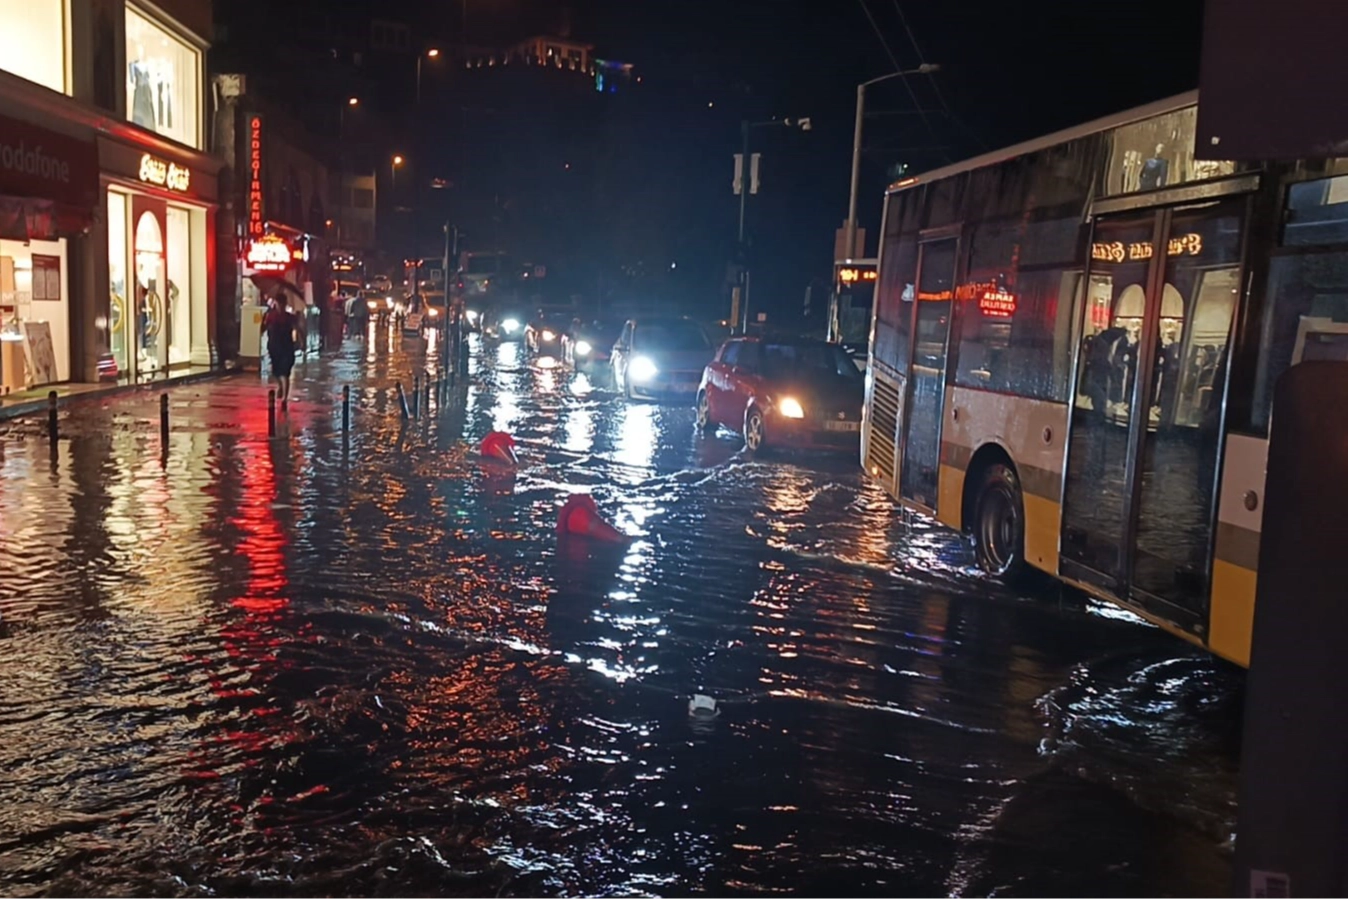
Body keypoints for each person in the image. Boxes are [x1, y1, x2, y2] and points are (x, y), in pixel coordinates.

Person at [262, 294, 298, 409]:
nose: (280, 306)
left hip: (287, 347)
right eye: (279, 303)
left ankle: (284, 399)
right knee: (276, 371)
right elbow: (262, 329)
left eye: (282, 303)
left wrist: (300, 342)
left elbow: (297, 328)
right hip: (274, 346)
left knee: (285, 372)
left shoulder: (290, 317)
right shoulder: (270, 316)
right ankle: (281, 386)